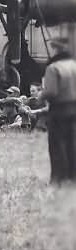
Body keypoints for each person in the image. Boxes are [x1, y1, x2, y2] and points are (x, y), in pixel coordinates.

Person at [41, 38, 76, 185]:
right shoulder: (74, 65)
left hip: (59, 109)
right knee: (72, 143)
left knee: (57, 144)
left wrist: (40, 96)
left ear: (56, 49)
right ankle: (72, 176)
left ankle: (58, 178)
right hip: (73, 108)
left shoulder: (53, 68)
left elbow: (52, 92)